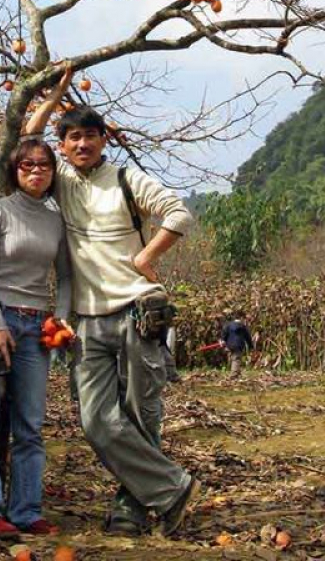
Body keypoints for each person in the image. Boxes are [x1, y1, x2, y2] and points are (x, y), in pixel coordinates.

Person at [26, 72, 199, 538]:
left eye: (90, 135)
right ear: (62, 146)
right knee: (97, 420)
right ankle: (172, 488)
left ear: (105, 139)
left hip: (136, 311)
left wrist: (147, 256)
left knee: (141, 414)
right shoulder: (58, 177)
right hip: (86, 319)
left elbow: (179, 212)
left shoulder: (126, 179)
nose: (81, 144)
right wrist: (57, 97)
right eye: (73, 137)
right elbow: (26, 140)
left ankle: (133, 505)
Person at [0, 136, 71, 539]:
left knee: (31, 423)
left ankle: (26, 510)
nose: (37, 171)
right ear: (14, 170)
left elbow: (66, 276)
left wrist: (58, 319)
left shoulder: (56, 218)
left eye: (44, 165)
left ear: (53, 172)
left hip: (35, 325)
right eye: (27, 165)